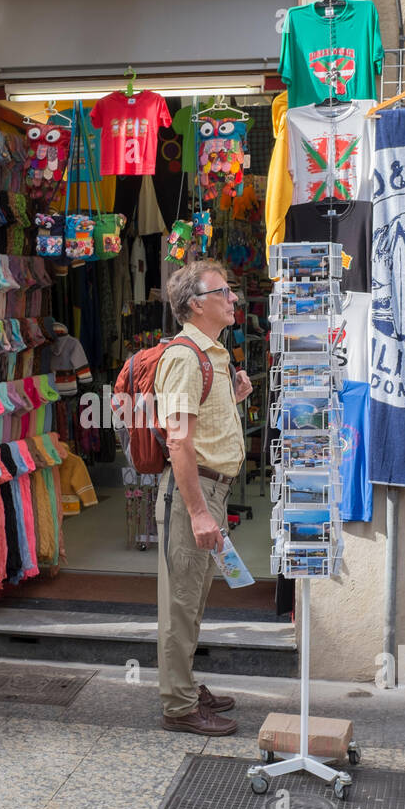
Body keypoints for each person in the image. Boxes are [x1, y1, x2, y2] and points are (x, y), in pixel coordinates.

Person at [154, 259, 251, 736]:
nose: (232, 298)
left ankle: (186, 685)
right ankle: (179, 706)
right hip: (194, 496)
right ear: (196, 303)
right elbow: (178, 441)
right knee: (180, 603)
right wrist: (196, 512)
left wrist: (231, 399)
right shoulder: (184, 356)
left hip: (212, 491)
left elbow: (199, 426)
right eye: (223, 292)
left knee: (193, 599)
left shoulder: (211, 355)